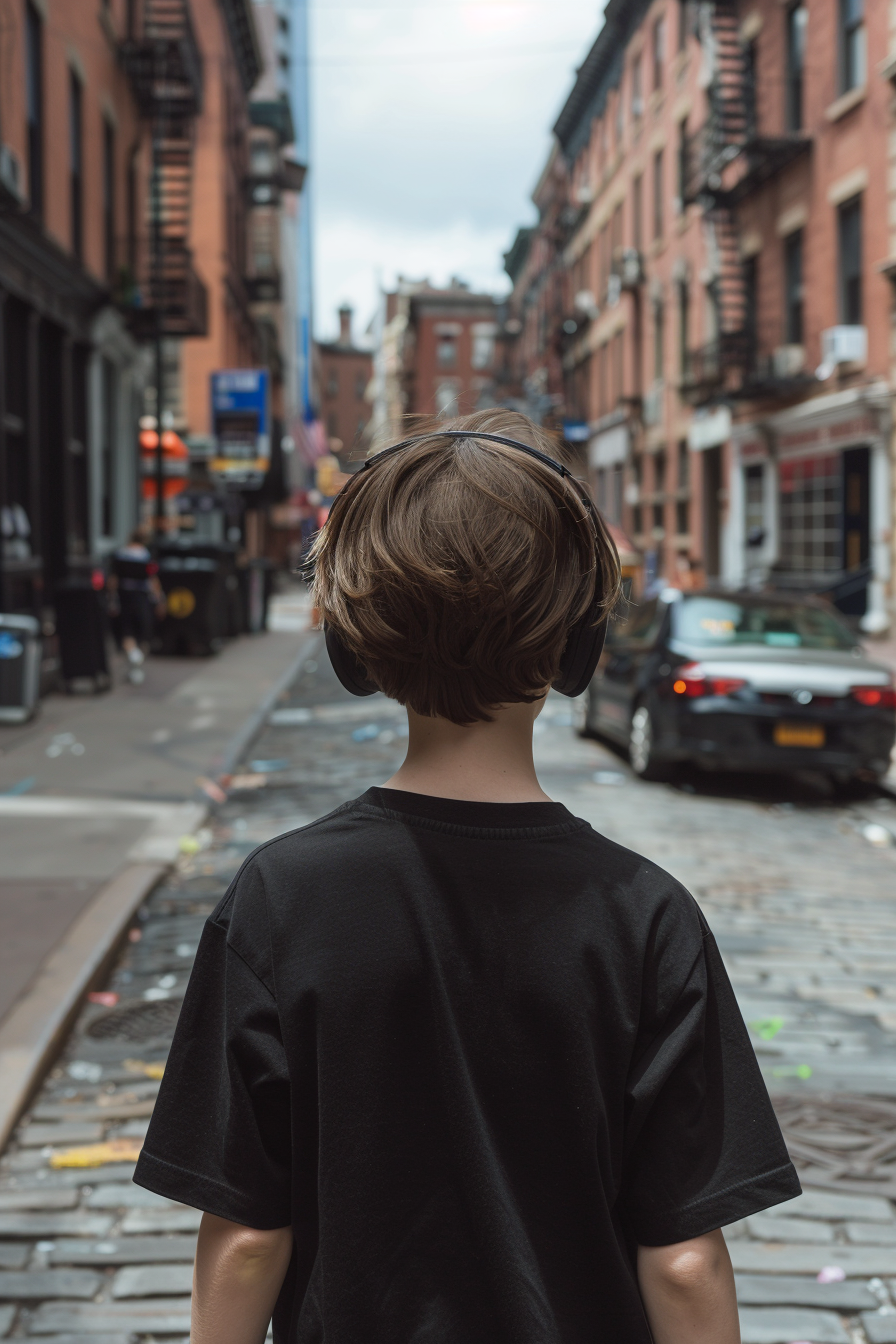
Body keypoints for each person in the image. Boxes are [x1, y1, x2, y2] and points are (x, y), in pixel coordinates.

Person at [134, 409, 800, 1344]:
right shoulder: (647, 918)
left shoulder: (277, 902)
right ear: (577, 648)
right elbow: (686, 1260)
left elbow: (246, 1239)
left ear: (354, 649)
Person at [109, 529, 163, 684]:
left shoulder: (120, 554)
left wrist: (112, 598)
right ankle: (136, 661)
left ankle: (133, 659)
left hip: (124, 595)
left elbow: (113, 579)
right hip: (141, 596)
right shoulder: (146, 556)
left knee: (127, 630)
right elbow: (153, 580)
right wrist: (159, 600)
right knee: (141, 629)